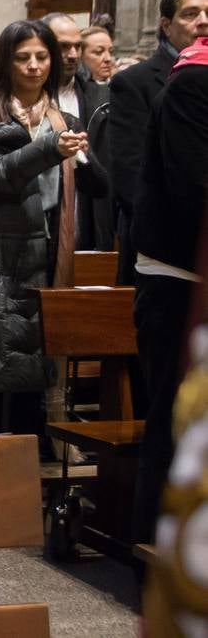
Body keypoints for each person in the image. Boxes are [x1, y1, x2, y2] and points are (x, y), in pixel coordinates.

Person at [0, 20, 104, 439]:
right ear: (6, 63)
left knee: (33, 377)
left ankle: (30, 466)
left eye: (41, 57)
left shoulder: (63, 119)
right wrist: (49, 148)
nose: (33, 66)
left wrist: (82, 157)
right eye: (22, 57)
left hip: (48, 253)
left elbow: (100, 188)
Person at [129, 29, 208, 544]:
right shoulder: (194, 83)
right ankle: (154, 552)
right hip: (181, 276)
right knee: (176, 420)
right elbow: (195, 186)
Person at [111, 0, 208, 284]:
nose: (203, 21)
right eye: (191, 14)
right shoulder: (134, 82)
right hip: (166, 247)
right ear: (166, 25)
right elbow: (130, 170)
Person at [44, 11, 112, 250]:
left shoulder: (104, 100)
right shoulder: (25, 102)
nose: (73, 54)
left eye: (77, 46)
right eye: (63, 46)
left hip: (88, 224)